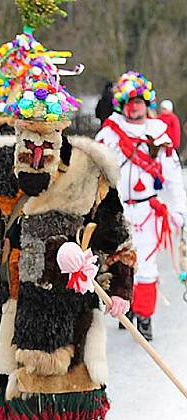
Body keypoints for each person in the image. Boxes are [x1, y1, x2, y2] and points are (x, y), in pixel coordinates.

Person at [0, 59, 135, 420]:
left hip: (71, 296)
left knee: (77, 379)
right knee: (10, 384)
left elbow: (115, 231)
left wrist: (120, 289)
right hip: (12, 294)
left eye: (45, 137)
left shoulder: (88, 170)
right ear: (16, 132)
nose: (37, 146)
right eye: (28, 137)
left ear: (60, 133)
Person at [95, 72, 187, 340]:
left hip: (148, 211)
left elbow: (171, 178)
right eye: (129, 101)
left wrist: (179, 209)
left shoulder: (159, 133)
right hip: (117, 211)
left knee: (146, 265)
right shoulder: (108, 134)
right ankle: (127, 308)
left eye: (139, 101)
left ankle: (144, 315)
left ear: (147, 103)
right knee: (120, 262)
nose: (134, 106)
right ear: (121, 104)